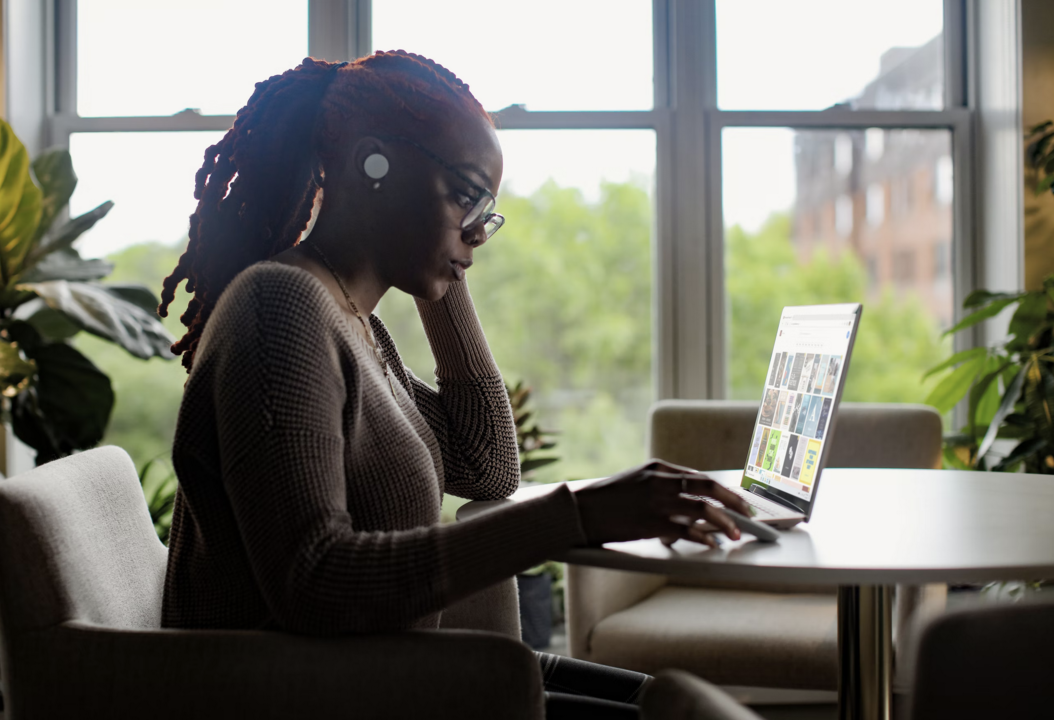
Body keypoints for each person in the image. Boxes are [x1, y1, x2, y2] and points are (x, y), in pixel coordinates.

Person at [159, 51, 752, 718]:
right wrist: (579, 520)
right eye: (466, 193)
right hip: (300, 697)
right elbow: (314, 581)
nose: (480, 230)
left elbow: (484, 463)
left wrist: (440, 267)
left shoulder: (351, 320)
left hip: (379, 683)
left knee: (671, 700)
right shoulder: (280, 309)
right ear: (372, 164)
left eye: (486, 210)